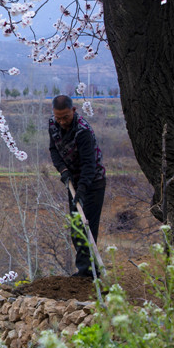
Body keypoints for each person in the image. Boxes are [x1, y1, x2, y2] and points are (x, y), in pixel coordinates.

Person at [48, 94, 106, 278]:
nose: (62, 121)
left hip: (93, 182)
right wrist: (63, 170)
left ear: (73, 110)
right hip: (73, 181)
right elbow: (53, 150)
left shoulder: (83, 131)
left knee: (87, 226)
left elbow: (90, 165)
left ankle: (90, 273)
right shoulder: (52, 124)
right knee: (76, 227)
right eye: (59, 117)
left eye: (66, 117)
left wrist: (82, 190)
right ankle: (85, 270)